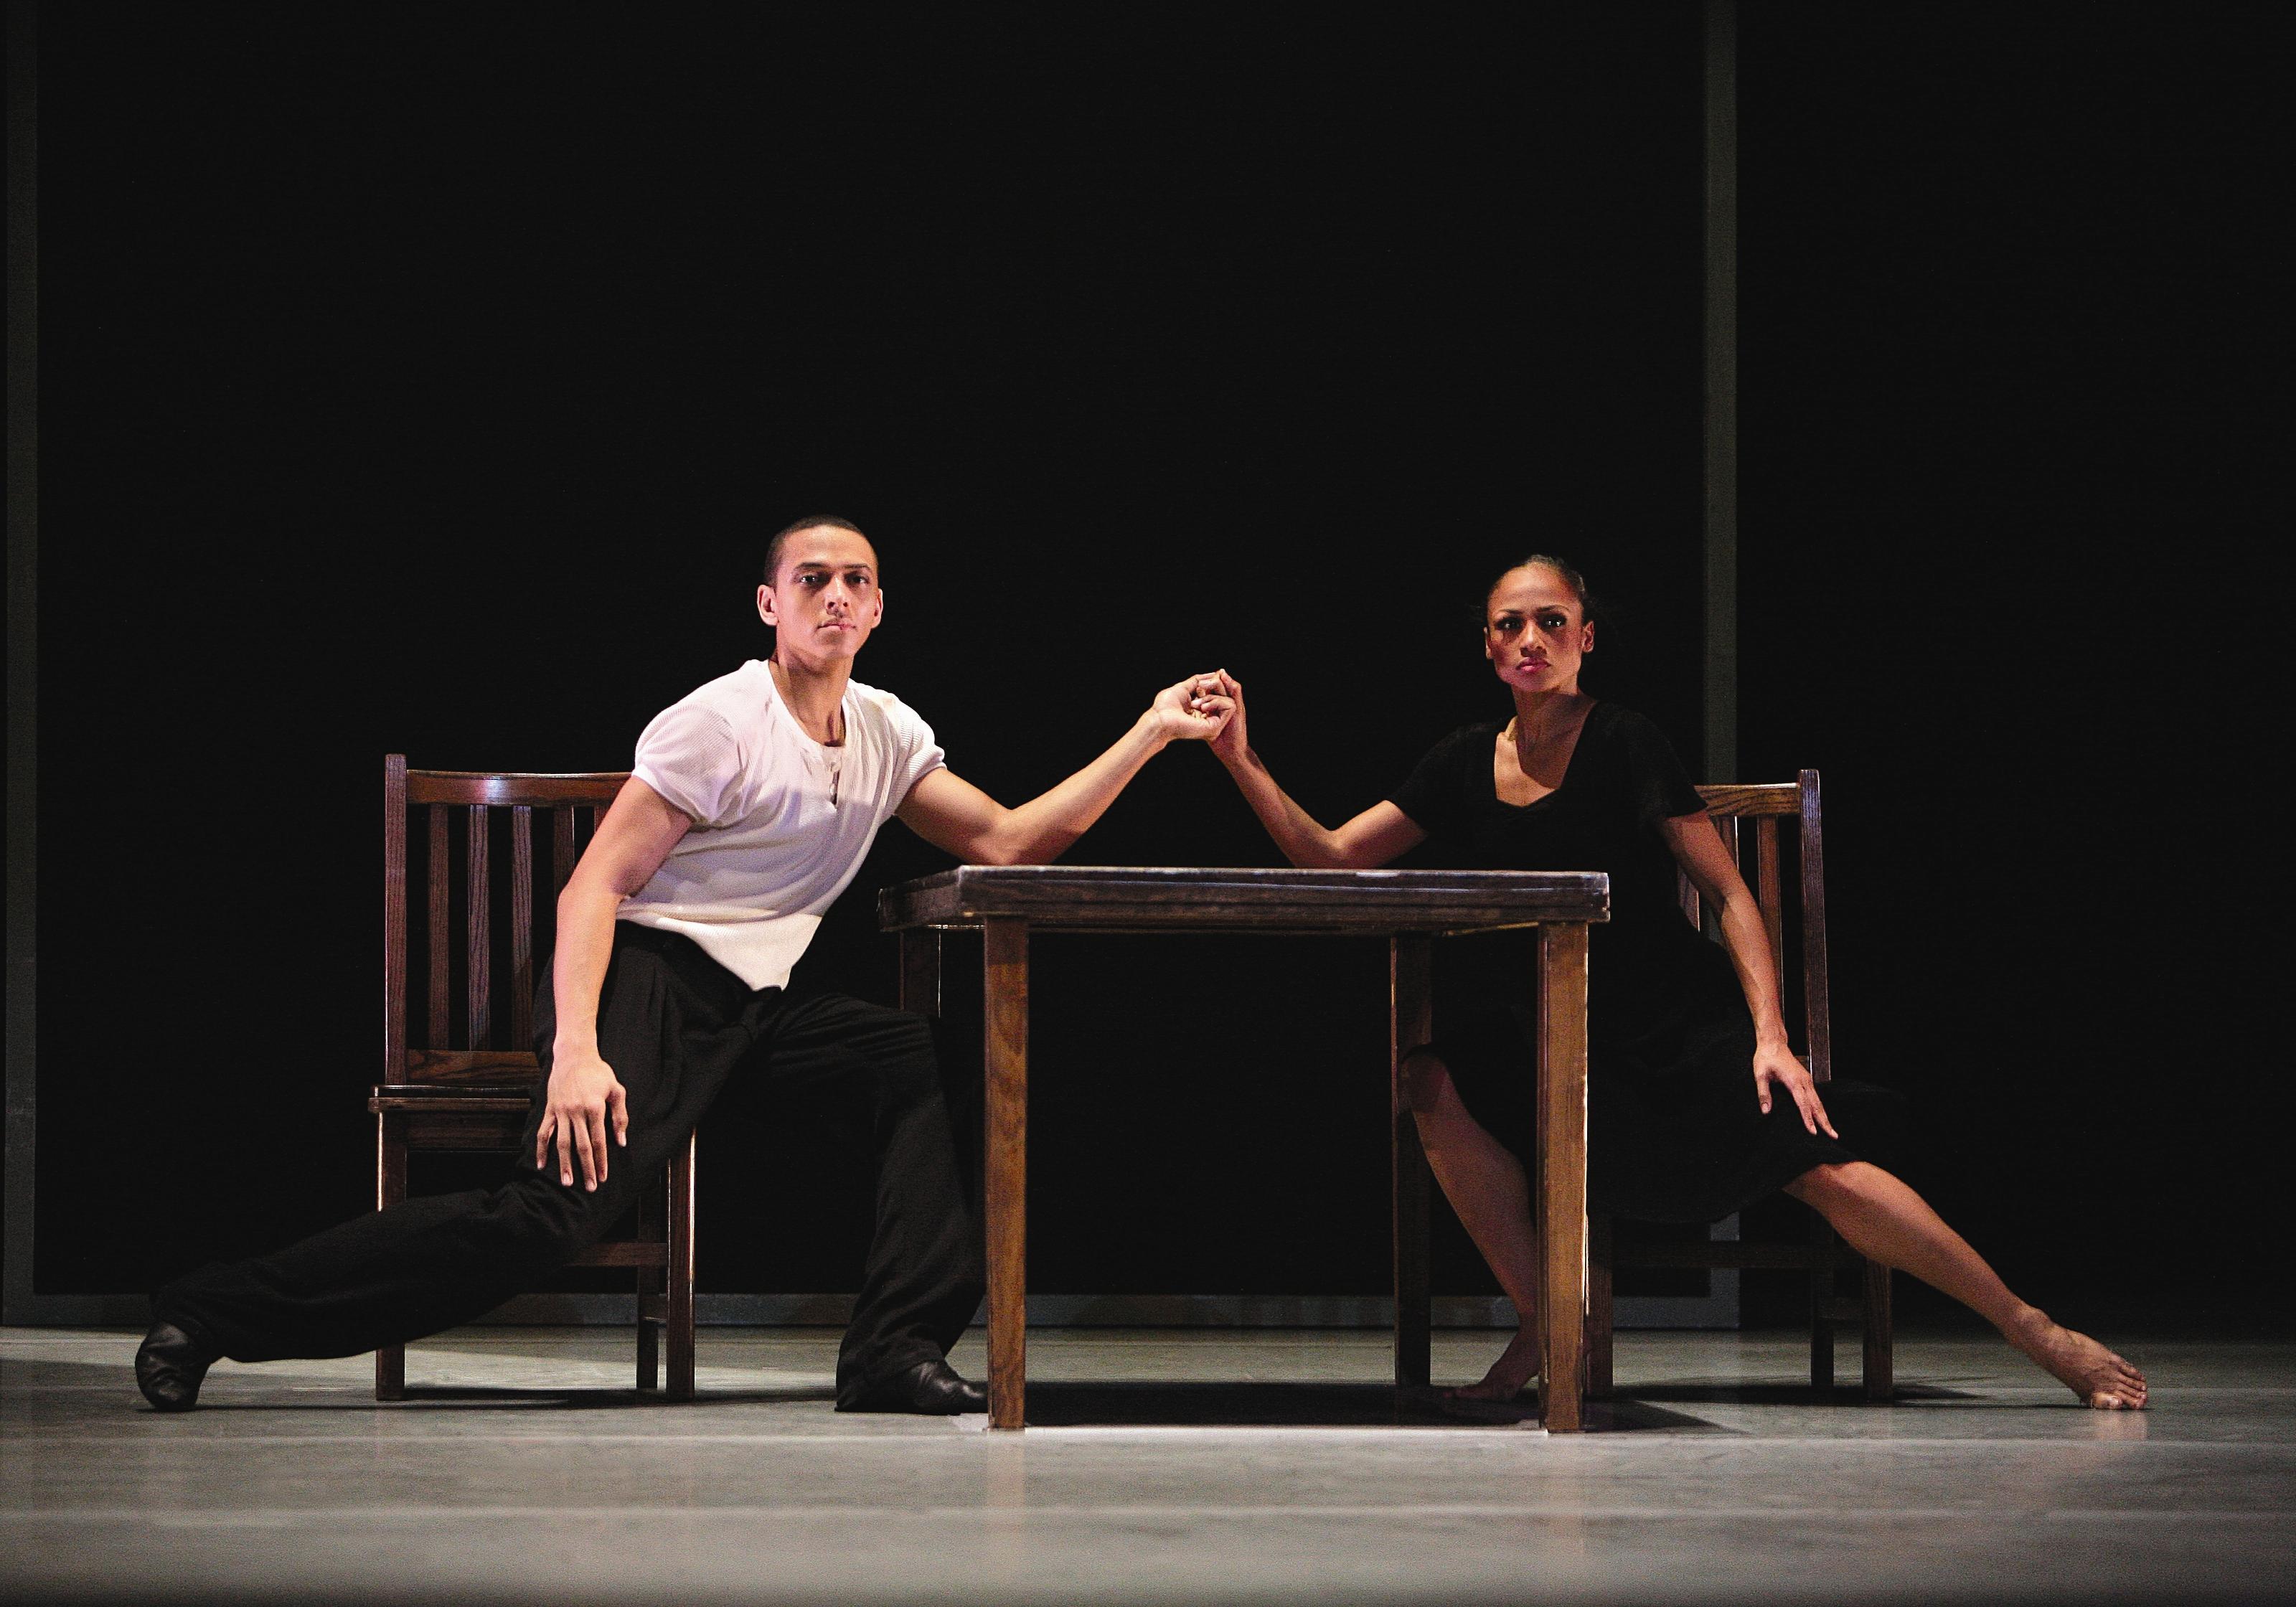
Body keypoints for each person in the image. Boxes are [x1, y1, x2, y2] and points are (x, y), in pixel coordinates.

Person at [138, 516, 1234, 1415]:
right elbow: (594, 889)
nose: (837, 596)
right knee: (543, 1221)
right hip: (645, 988)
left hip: (756, 1009)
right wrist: (576, 1051)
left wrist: (1147, 732)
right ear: (771, 604)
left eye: (857, 581)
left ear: (881, 608)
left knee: (928, 1058)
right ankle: (209, 1314)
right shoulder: (721, 722)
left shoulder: (890, 731)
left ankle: (892, 1351)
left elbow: (1004, 840)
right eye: (813, 579)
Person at [1193, 555, 2146, 1410]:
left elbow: (1729, 896)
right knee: (1430, 1080)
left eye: (1552, 621)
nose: (1531, 638)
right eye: (1510, 624)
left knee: (1806, 1154)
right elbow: (1331, 861)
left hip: (1672, 1026)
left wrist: (1771, 1036)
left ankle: (2030, 1326)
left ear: (1586, 639)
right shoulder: (1458, 762)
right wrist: (1241, 757)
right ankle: (1548, 1326)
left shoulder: (1625, 739)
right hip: (1550, 1040)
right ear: (1487, 648)